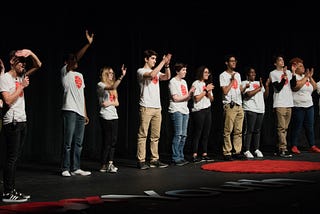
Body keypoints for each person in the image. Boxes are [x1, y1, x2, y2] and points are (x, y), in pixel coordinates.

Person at [0, 49, 42, 202]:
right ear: (12, 61)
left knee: (16, 158)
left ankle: (12, 190)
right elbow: (8, 101)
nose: (24, 64)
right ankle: (7, 192)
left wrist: (30, 53)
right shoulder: (5, 78)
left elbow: (38, 65)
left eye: (25, 62)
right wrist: (22, 86)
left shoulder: (21, 76)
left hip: (21, 120)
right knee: (11, 158)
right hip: (12, 122)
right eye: (20, 61)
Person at [60, 30, 94, 177]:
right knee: (68, 142)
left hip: (80, 112)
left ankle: (76, 167)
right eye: (72, 60)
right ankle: (65, 168)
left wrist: (85, 113)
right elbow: (75, 59)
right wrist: (88, 44)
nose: (76, 62)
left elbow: (82, 96)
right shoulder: (65, 72)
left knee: (78, 143)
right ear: (66, 63)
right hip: (69, 110)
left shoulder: (80, 75)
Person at [136, 49, 171, 170]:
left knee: (155, 136)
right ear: (146, 59)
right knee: (143, 134)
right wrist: (163, 61)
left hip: (157, 107)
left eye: (156, 59)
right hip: (146, 106)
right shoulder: (141, 71)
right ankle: (141, 160)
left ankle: (154, 159)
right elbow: (151, 75)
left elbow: (167, 77)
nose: (154, 61)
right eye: (152, 58)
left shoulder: (156, 71)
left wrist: (167, 65)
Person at [97, 64, 126, 173]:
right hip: (105, 116)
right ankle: (103, 164)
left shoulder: (113, 88)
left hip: (114, 116)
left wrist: (109, 102)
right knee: (107, 141)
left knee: (113, 141)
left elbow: (117, 102)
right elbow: (112, 88)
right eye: (110, 73)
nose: (112, 75)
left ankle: (110, 163)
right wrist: (121, 76)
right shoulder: (100, 85)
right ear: (105, 74)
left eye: (113, 73)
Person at [289, 57, 320, 154]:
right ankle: (294, 145)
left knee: (310, 127)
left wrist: (310, 77)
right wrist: (306, 77)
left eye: (303, 65)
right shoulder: (293, 76)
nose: (303, 68)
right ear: (295, 67)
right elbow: (295, 87)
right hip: (298, 106)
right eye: (300, 66)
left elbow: (314, 88)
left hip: (309, 106)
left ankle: (312, 145)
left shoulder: (305, 76)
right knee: (297, 127)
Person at [219, 54, 246, 161]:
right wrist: (231, 81)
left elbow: (239, 90)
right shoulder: (223, 75)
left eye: (235, 61)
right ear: (227, 63)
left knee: (238, 130)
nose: (234, 63)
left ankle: (237, 151)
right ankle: (227, 152)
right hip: (230, 105)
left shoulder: (238, 75)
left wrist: (245, 88)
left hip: (239, 105)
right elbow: (225, 91)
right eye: (231, 61)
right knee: (228, 130)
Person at [168, 62, 195, 166]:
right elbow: (175, 98)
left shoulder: (184, 82)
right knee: (178, 134)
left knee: (184, 135)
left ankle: (181, 156)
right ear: (177, 71)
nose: (185, 72)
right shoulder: (173, 82)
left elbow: (186, 97)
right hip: (176, 110)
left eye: (185, 70)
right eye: (183, 70)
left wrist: (191, 94)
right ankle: (176, 157)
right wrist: (189, 94)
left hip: (185, 110)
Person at [241, 66, 270, 158]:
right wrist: (259, 88)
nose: (254, 74)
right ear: (247, 74)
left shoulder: (258, 83)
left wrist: (266, 86)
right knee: (249, 130)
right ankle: (246, 150)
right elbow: (247, 95)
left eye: (254, 72)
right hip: (250, 109)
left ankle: (256, 149)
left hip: (260, 109)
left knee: (257, 130)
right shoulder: (244, 83)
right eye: (251, 72)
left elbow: (265, 96)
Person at [269, 54, 294, 158]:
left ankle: (278, 147)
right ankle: (283, 149)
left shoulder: (288, 72)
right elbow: (277, 88)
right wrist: (284, 77)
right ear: (275, 63)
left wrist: (292, 73)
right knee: (281, 128)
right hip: (280, 103)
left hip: (289, 102)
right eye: (280, 60)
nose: (282, 61)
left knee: (286, 128)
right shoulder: (273, 73)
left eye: (283, 60)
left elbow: (293, 85)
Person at [190, 66, 214, 163]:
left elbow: (212, 100)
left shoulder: (207, 84)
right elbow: (196, 98)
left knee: (206, 133)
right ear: (201, 73)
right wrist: (205, 90)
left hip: (207, 110)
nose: (207, 74)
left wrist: (208, 91)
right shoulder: (196, 83)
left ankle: (204, 154)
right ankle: (194, 154)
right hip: (198, 111)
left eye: (208, 72)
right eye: (205, 72)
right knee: (198, 133)